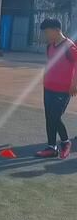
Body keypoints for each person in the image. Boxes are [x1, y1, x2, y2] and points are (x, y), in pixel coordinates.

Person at [35, 19, 77, 159]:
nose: (46, 35)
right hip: (48, 87)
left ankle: (65, 143)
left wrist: (74, 83)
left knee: (55, 116)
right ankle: (51, 147)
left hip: (63, 89)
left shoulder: (69, 46)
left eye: (47, 32)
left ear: (56, 30)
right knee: (49, 116)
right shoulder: (50, 46)